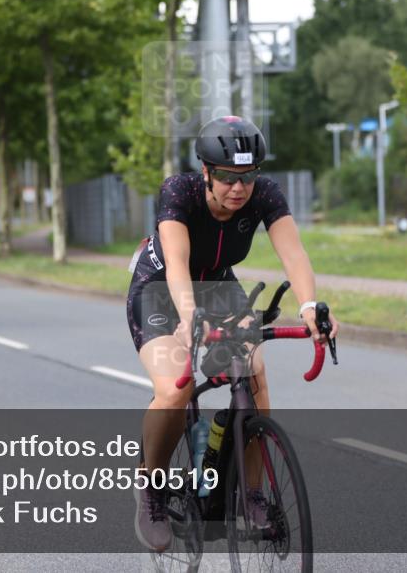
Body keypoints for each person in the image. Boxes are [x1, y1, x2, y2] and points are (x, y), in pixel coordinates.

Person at [126, 116, 339, 551]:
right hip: (163, 287)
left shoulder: (265, 195)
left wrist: (310, 306)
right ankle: (151, 488)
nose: (238, 188)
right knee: (174, 389)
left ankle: (255, 494)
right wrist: (188, 317)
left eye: (247, 177)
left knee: (255, 370)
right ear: (206, 171)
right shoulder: (179, 192)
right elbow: (179, 265)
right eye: (226, 177)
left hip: (219, 285)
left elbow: (293, 253)